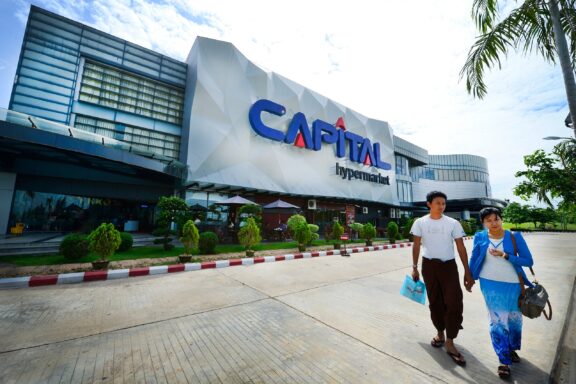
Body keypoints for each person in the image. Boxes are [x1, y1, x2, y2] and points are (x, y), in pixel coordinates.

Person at [410, 191, 474, 366]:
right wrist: (414, 267)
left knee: (454, 302)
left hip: (449, 266)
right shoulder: (420, 222)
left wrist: (467, 272)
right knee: (435, 301)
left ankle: (450, 341)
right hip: (429, 266)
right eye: (438, 202)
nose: (442, 206)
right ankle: (440, 332)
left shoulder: (452, 223)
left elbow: (461, 248)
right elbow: (416, 246)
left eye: (444, 203)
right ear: (429, 204)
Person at [469, 207, 534, 379]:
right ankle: (503, 360)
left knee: (514, 319)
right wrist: (469, 276)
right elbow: (474, 258)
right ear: (483, 223)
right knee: (497, 322)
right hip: (489, 284)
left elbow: (528, 261)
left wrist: (506, 255)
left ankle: (511, 348)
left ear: (501, 219)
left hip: (514, 284)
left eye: (496, 219)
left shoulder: (515, 237)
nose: (493, 223)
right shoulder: (480, 236)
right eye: (488, 220)